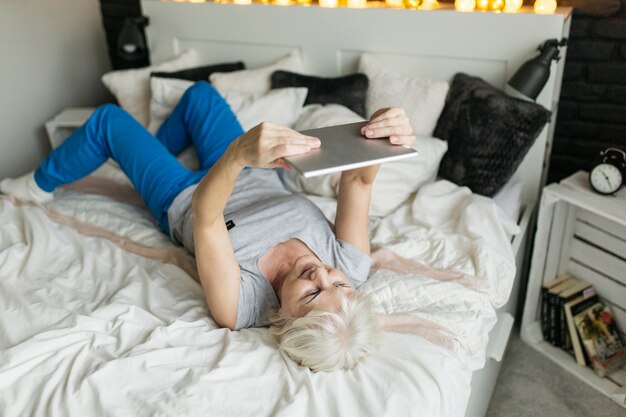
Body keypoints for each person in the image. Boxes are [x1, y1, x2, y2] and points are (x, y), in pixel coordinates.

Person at [0, 82, 416, 371]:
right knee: (199, 96)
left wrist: (237, 155)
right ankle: (147, 152)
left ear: (284, 319)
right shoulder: (353, 263)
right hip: (258, 174)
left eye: (310, 294)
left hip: (186, 195)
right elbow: (359, 179)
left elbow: (206, 215)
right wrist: (380, 128)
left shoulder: (241, 305)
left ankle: (35, 186)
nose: (322, 274)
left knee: (108, 121)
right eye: (338, 285)